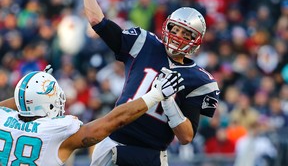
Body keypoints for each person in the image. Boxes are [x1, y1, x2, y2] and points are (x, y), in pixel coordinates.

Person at [78, 0, 220, 166]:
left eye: (186, 33)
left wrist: (170, 103)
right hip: (113, 142)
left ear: (196, 41)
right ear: (166, 26)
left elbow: (186, 137)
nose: (178, 36)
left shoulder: (200, 80)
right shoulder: (145, 43)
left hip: (152, 154)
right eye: (175, 29)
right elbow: (97, 21)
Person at [0, 66, 184, 166]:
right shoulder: (57, 130)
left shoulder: (3, 117)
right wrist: (155, 95)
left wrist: (32, 89)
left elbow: (17, 101)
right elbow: (113, 121)